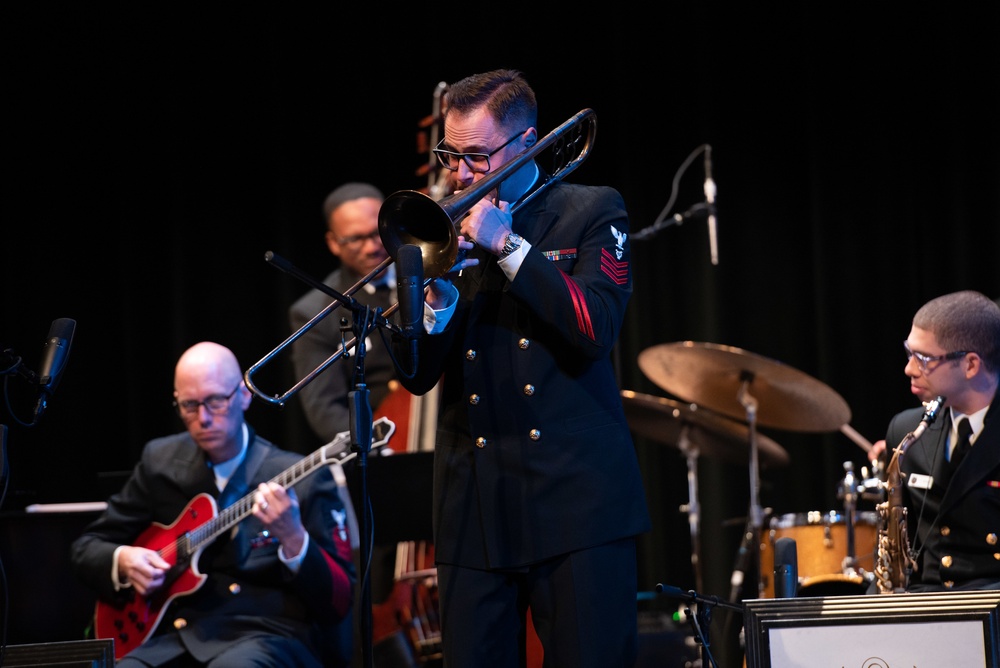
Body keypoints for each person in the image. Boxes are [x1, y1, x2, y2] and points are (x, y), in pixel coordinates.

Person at [389, 69, 651, 667]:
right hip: (473, 502)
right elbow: (418, 377)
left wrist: (508, 247)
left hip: (576, 502)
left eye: (477, 157)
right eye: (450, 154)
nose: (460, 173)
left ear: (527, 142)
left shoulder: (590, 209)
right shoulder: (446, 225)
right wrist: (431, 303)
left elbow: (595, 328)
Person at [70, 341, 355, 667]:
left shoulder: (302, 477)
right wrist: (123, 560)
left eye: (216, 401)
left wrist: (293, 537)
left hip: (266, 634)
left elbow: (341, 599)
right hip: (175, 636)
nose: (203, 418)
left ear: (244, 396)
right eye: (189, 405)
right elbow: (86, 548)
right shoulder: (160, 462)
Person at [878, 290, 1000, 592]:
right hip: (924, 607)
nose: (909, 369)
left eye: (923, 359)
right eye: (910, 353)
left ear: (971, 364)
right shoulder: (906, 429)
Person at [289, 182, 398, 446]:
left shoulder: (430, 276)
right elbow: (326, 409)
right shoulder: (314, 312)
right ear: (333, 243)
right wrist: (376, 447)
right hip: (382, 448)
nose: (372, 247)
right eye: (356, 239)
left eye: (377, 233)